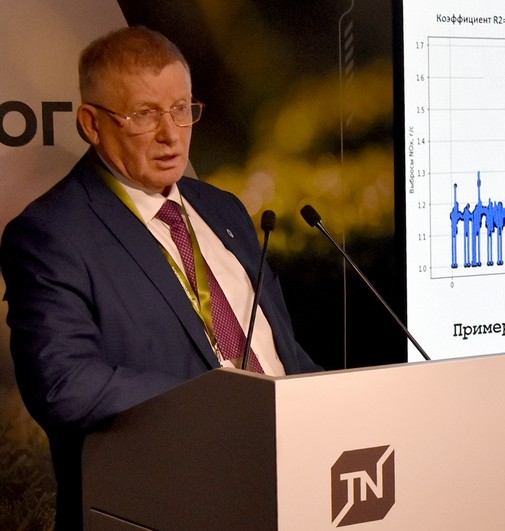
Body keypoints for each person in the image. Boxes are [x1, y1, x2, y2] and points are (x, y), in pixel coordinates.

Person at [1, 26, 322, 531]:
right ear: (92, 124)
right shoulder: (51, 235)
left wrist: (343, 405)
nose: (171, 134)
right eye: (145, 114)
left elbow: (281, 353)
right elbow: (65, 385)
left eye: (181, 109)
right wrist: (226, 403)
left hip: (299, 483)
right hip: (166, 504)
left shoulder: (224, 209)